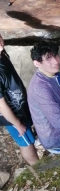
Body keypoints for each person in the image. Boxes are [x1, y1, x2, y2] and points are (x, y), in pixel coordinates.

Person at [0, 34, 39, 165]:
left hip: (20, 108)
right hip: (12, 116)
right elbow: (1, 105)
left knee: (30, 138)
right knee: (26, 142)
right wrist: (17, 124)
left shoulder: (2, 56)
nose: (0, 42)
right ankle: (40, 168)